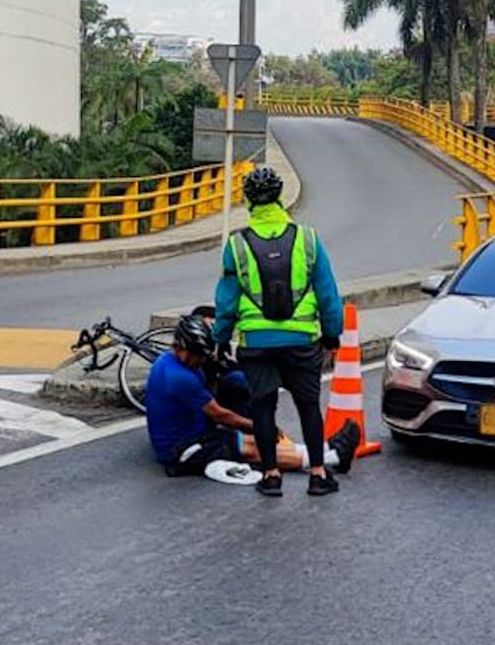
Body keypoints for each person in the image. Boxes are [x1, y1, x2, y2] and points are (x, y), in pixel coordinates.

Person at [214, 166, 346, 498]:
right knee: (307, 406)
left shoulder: (236, 245)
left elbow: (226, 302)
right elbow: (328, 293)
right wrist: (332, 334)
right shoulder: (308, 239)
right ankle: (318, 474)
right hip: (301, 340)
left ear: (247, 200)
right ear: (280, 197)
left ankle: (271, 476)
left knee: (262, 406)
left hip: (256, 341)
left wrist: (219, 339)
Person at [147, 316, 360, 480]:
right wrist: (260, 426)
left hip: (196, 433)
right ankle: (333, 457)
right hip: (178, 449)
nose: (201, 360)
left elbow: (212, 394)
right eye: (199, 355)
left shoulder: (176, 362)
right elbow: (221, 415)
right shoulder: (177, 376)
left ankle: (323, 448)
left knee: (251, 441)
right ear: (182, 348)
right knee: (249, 447)